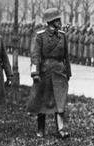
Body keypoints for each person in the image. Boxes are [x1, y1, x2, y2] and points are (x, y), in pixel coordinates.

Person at [28, 9, 71, 138]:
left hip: (59, 71)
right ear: (50, 21)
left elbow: (66, 56)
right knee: (43, 101)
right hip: (45, 71)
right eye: (57, 20)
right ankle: (41, 129)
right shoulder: (40, 36)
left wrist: (68, 72)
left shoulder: (63, 36)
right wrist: (35, 73)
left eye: (59, 19)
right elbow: (35, 55)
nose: (60, 22)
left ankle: (61, 129)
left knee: (60, 100)